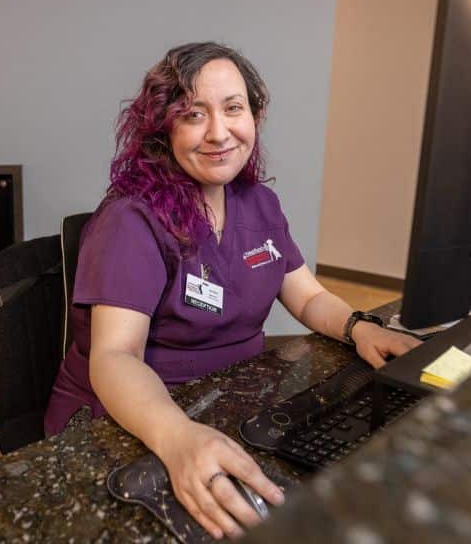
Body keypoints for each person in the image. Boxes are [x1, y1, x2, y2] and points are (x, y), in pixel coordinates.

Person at [44, 42, 420, 540]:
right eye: (193, 114)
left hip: (228, 405)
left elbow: (306, 296)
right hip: (132, 420)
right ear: (163, 128)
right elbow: (115, 357)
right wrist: (177, 438)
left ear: (255, 116)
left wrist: (358, 327)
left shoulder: (258, 202)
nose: (219, 133)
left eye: (234, 108)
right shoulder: (131, 220)